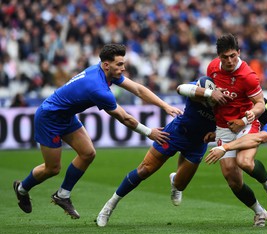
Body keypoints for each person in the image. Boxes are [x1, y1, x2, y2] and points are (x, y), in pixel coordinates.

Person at [13, 44, 183, 219]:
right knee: (52, 168)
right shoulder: (98, 88)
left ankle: (62, 195)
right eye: (119, 64)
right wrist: (149, 132)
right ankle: (22, 188)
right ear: (106, 65)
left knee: (88, 153)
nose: (123, 68)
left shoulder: (105, 73)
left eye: (123, 63)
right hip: (49, 119)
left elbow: (139, 89)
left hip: (66, 116)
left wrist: (164, 105)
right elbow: (124, 117)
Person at [96, 77, 230, 227]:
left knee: (180, 185)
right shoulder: (197, 87)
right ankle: (109, 206)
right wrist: (206, 93)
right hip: (176, 133)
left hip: (197, 143)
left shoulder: (226, 99)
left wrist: (216, 134)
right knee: (144, 170)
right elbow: (180, 88)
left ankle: (174, 181)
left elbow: (232, 127)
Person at [206, 33, 267, 227]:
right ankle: (259, 212)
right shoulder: (212, 69)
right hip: (224, 127)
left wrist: (244, 119)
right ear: (218, 57)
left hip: (246, 124)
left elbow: (260, 104)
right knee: (232, 179)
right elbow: (211, 101)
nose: (230, 60)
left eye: (233, 55)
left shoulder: (248, 75)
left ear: (239, 53)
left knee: (245, 161)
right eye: (225, 57)